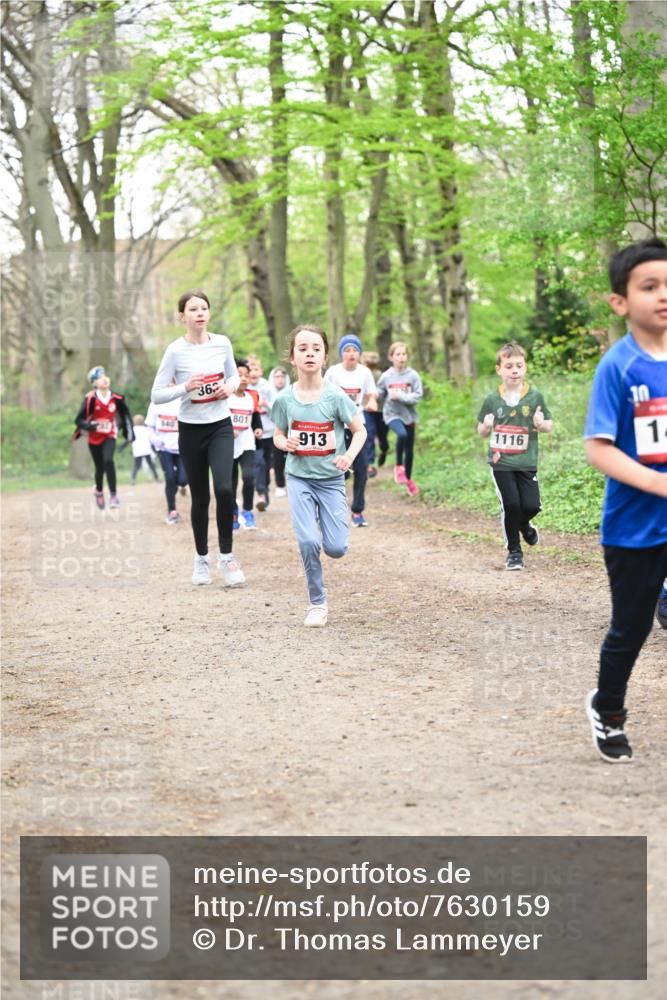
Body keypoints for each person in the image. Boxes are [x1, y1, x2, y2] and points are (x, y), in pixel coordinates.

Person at [583, 237, 667, 763]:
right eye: (649, 286)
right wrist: (659, 483)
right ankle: (608, 709)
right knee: (631, 627)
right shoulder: (620, 366)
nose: (663, 296)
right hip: (634, 527)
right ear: (621, 301)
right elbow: (599, 449)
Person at [271, 324, 367, 627]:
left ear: (325, 357)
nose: (309, 353)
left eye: (316, 348)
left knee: (336, 548)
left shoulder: (336, 397)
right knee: (309, 542)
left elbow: (360, 431)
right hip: (299, 478)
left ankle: (334, 526)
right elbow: (277, 434)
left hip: (330, 480)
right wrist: (284, 443)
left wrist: (348, 455)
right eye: (303, 348)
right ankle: (317, 603)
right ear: (292, 357)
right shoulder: (285, 399)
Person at [151, 290, 245, 587]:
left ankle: (227, 557)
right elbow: (157, 394)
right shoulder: (175, 351)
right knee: (201, 497)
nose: (200, 313)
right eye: (193, 309)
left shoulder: (222, 343)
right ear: (183, 316)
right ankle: (202, 558)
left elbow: (234, 376)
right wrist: (185, 387)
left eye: (204, 308)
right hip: (190, 429)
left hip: (220, 425)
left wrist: (229, 388)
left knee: (225, 488)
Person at [477, 342, 553, 571]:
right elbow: (480, 431)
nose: (514, 370)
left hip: (527, 462)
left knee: (531, 506)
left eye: (519, 365)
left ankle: (526, 527)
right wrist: (487, 426)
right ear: (499, 369)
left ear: (525, 368)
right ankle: (514, 552)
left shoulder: (535, 397)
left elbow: (548, 424)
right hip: (501, 463)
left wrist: (541, 424)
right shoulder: (492, 399)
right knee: (511, 504)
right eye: (509, 366)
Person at [325, 334, 377, 526]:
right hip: (337, 427)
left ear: (359, 353)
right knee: (339, 470)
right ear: (341, 353)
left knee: (362, 469)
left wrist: (371, 401)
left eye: (355, 350)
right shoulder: (332, 372)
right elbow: (323, 394)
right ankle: (332, 508)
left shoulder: (365, 373)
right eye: (347, 350)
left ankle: (357, 511)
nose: (351, 353)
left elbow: (372, 393)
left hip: (358, 427)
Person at [74, 365, 133, 510]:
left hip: (109, 434)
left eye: (105, 375)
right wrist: (90, 426)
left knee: (108, 461)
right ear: (94, 383)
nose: (104, 379)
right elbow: (78, 420)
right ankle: (99, 491)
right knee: (99, 467)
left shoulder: (116, 398)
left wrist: (129, 432)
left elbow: (126, 414)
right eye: (100, 377)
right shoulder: (90, 400)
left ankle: (113, 496)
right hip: (94, 437)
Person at [376, 341, 423, 495]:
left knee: (409, 451)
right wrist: (374, 397)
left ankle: (408, 480)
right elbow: (379, 393)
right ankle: (398, 467)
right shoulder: (386, 376)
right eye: (398, 354)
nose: (401, 357)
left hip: (409, 416)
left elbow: (417, 396)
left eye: (404, 354)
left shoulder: (413, 375)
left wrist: (400, 396)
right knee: (401, 434)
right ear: (391, 357)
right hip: (391, 414)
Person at [230, 359, 263, 530]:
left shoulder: (253, 396)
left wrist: (258, 429)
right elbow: (216, 418)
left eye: (246, 376)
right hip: (227, 445)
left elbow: (255, 417)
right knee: (231, 482)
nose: (243, 379)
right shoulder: (224, 396)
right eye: (239, 375)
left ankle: (247, 511)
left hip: (247, 443)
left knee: (249, 477)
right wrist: (229, 430)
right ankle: (232, 512)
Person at [146, 396, 188, 524]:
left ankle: (180, 485)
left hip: (183, 448)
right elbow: (149, 426)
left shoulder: (184, 400)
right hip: (164, 449)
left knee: (183, 479)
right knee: (170, 478)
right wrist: (157, 441)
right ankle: (172, 511)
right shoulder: (156, 402)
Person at [360, 350, 388, 477]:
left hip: (381, 410)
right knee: (369, 435)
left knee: (382, 437)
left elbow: (384, 392)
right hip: (366, 410)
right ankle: (370, 464)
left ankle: (384, 449)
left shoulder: (380, 376)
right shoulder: (360, 375)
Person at [130, 415, 159, 485]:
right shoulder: (146, 429)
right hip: (146, 449)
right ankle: (157, 478)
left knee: (136, 465)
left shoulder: (133, 429)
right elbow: (150, 439)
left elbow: (130, 439)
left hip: (137, 450)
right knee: (151, 464)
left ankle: (133, 479)